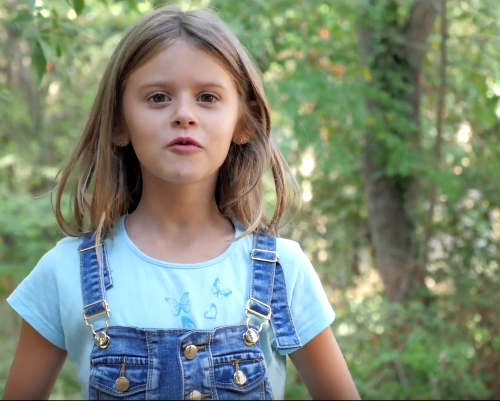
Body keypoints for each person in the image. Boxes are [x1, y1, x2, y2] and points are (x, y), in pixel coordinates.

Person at [3, 5, 360, 401]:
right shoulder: (64, 271)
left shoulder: (282, 271)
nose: (184, 115)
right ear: (119, 122)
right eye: (158, 97)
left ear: (243, 121)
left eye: (208, 97)